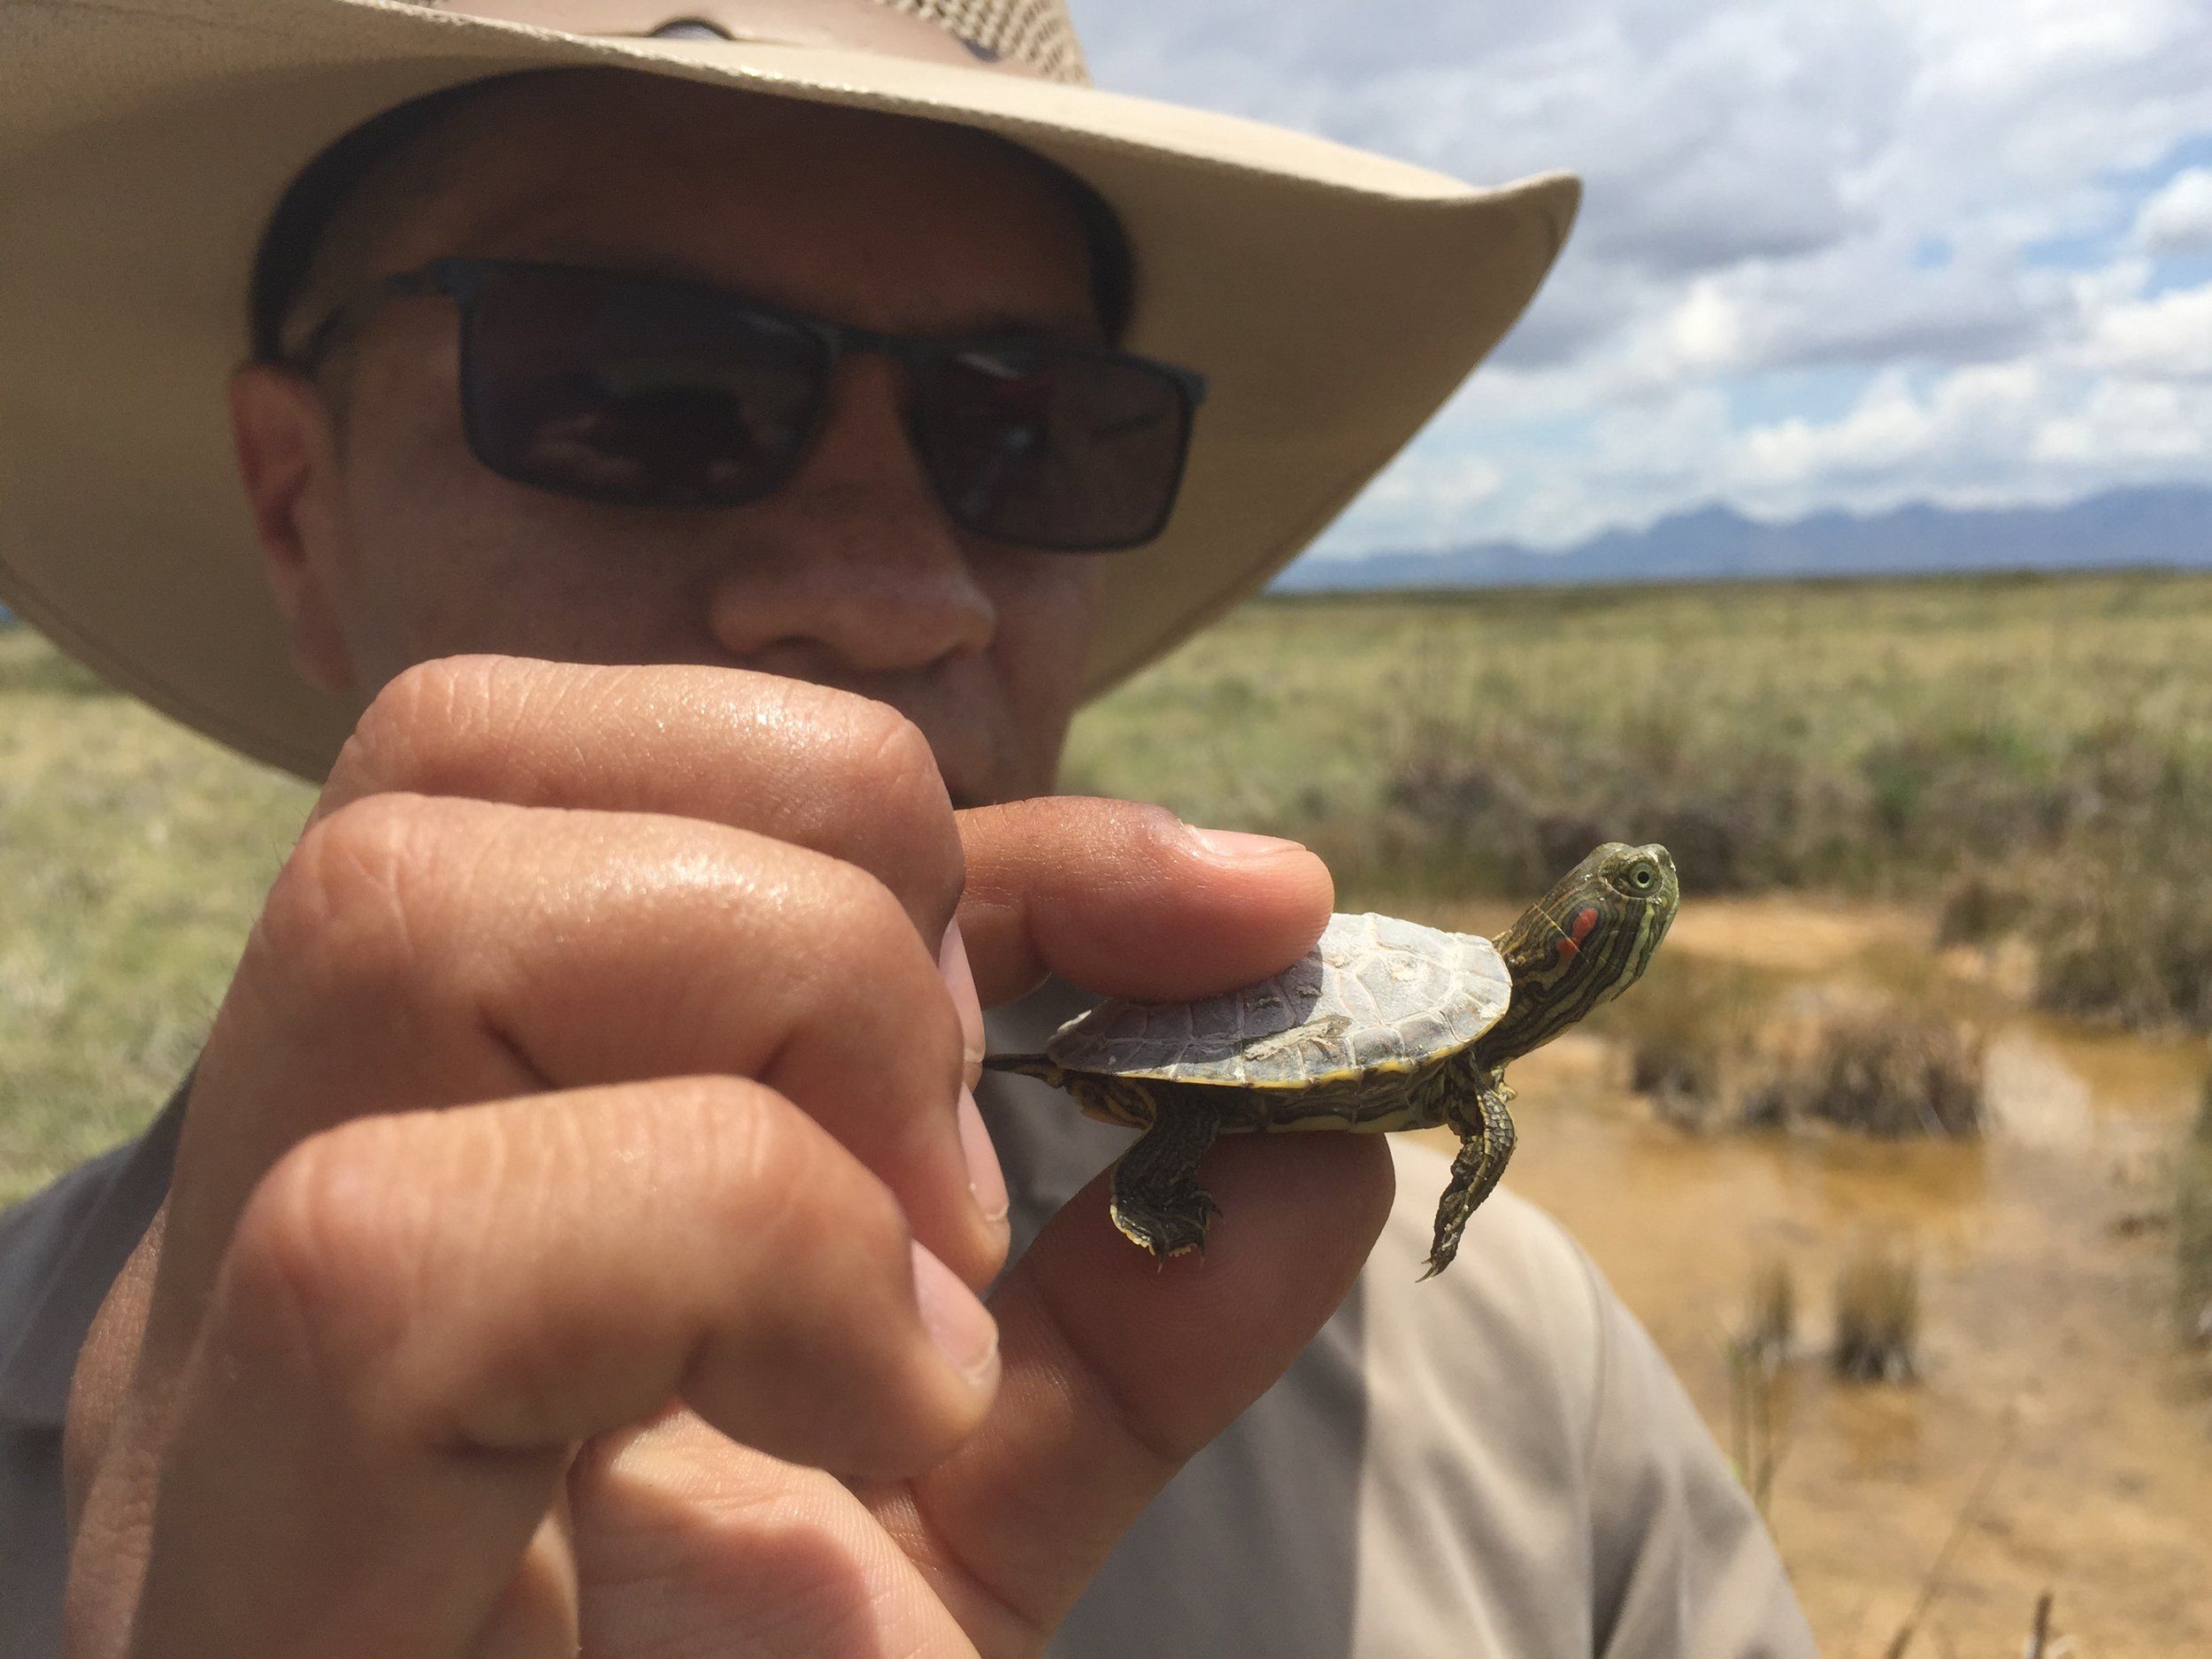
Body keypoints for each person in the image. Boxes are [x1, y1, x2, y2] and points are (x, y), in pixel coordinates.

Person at [0, 2, 1819, 1654]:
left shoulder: (1503, 1379)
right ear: (296, 505)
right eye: (646, 386)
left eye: (1031, 429)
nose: (891, 588)